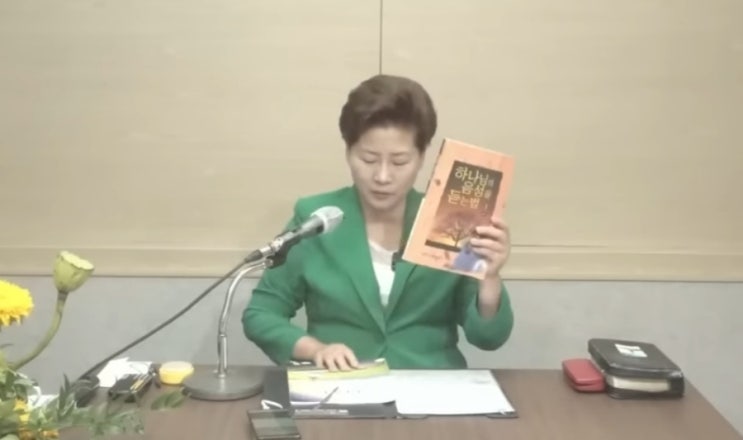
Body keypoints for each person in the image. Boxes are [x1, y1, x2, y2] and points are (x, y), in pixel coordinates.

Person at [242, 74, 514, 371]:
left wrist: (489, 277)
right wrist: (316, 349)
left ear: (422, 158)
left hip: (431, 384)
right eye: (369, 159)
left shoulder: (452, 220)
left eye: (399, 162)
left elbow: (488, 337)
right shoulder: (317, 219)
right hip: (344, 383)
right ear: (348, 152)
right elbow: (261, 314)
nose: (382, 176)